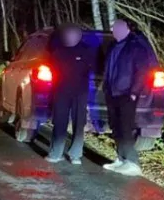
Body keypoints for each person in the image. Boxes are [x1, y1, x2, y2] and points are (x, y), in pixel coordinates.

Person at [103, 18, 158, 176]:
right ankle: (121, 159)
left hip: (127, 93)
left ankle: (133, 162)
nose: (115, 30)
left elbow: (142, 71)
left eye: (119, 27)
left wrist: (134, 92)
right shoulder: (114, 46)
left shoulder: (135, 46)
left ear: (128, 29)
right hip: (112, 92)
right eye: (114, 27)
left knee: (126, 128)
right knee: (116, 126)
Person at [45, 24, 94, 164]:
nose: (70, 37)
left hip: (80, 93)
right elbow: (51, 71)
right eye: (68, 35)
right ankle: (55, 153)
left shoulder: (86, 52)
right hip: (61, 92)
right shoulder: (57, 52)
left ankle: (75, 155)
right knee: (60, 122)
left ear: (78, 37)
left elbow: (91, 70)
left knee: (79, 124)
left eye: (73, 35)